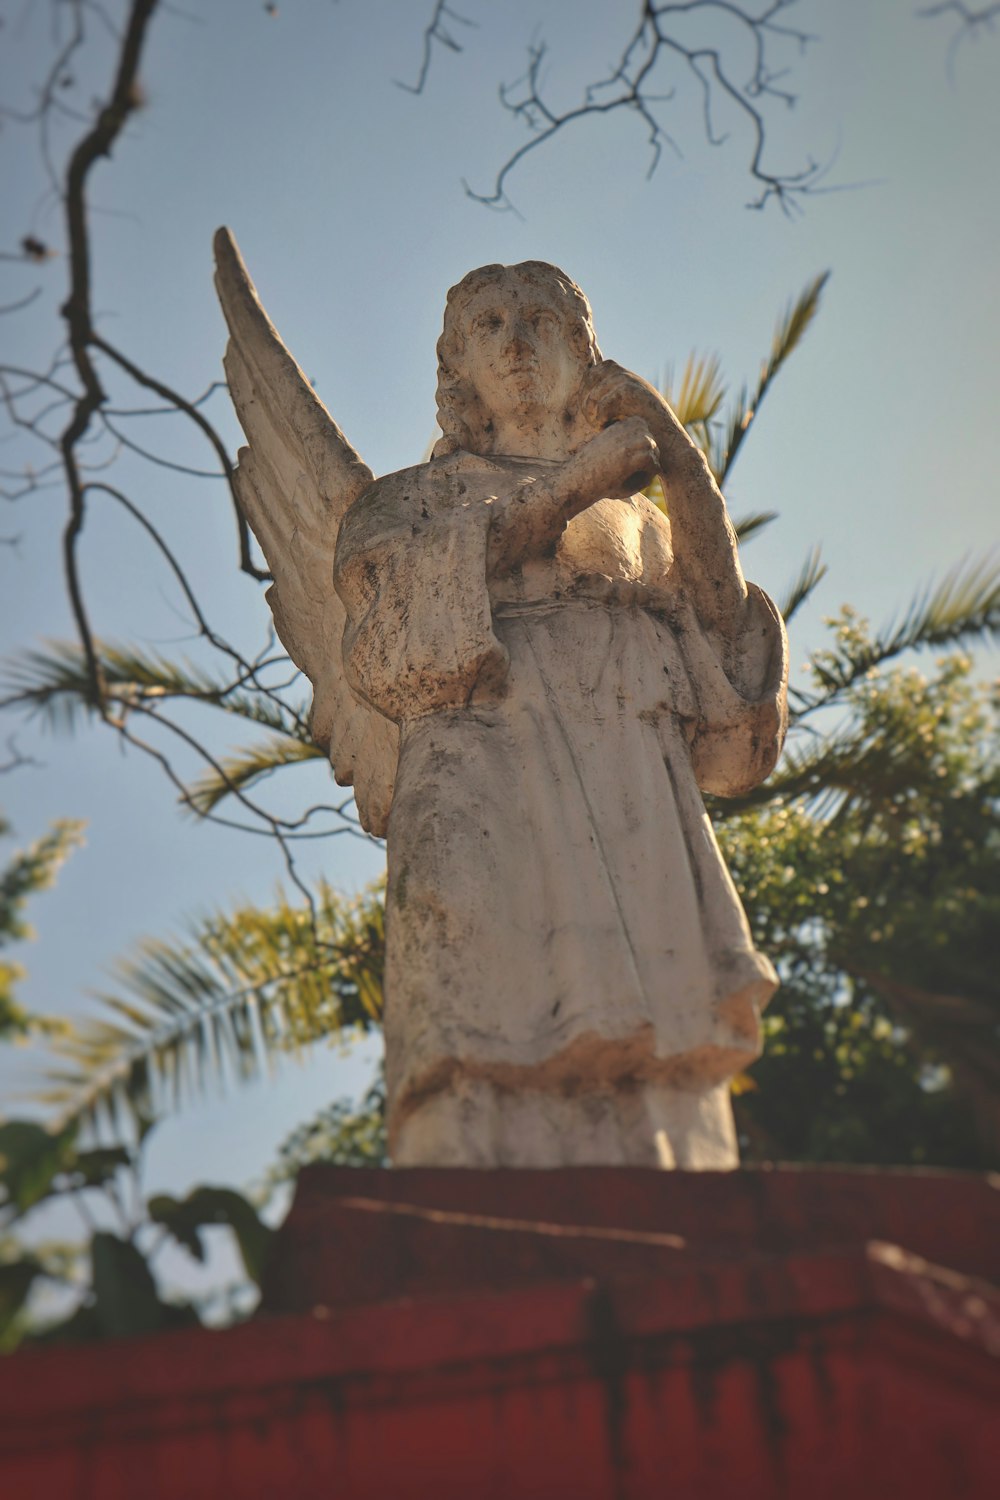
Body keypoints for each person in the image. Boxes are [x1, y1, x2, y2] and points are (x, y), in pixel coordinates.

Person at [331, 261, 788, 1168]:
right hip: (484, 754)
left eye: (543, 322)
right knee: (481, 992)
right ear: (456, 365)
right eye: (491, 324)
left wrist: (674, 453)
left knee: (655, 1045)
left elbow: (722, 639)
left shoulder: (641, 520)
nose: (517, 342)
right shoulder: (409, 500)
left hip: (625, 740)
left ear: (584, 355)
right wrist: (577, 483)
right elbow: (392, 649)